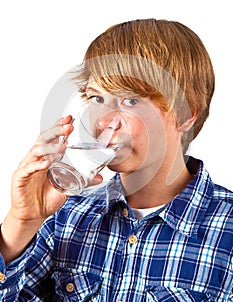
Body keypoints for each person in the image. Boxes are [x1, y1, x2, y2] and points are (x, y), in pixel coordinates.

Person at [0, 19, 232, 301]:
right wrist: (21, 221)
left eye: (130, 100)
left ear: (184, 115)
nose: (104, 122)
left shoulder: (226, 230)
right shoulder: (65, 216)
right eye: (97, 99)